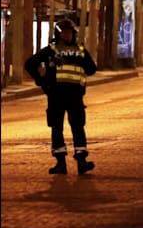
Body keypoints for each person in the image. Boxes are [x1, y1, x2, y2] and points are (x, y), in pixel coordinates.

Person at [24, 19, 97, 175]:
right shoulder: (52, 50)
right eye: (64, 33)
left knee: (77, 127)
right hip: (56, 94)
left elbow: (91, 69)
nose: (67, 35)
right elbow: (30, 63)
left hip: (75, 95)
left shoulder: (80, 50)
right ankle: (60, 163)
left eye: (70, 33)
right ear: (58, 34)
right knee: (57, 128)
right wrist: (41, 80)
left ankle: (81, 161)